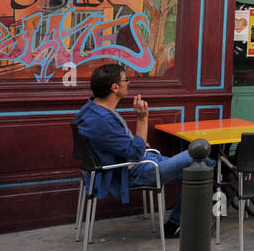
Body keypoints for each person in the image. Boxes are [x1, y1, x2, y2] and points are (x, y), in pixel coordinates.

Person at [74, 63, 211, 238]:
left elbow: (118, 144)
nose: (129, 83)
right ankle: (177, 223)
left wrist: (133, 142)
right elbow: (135, 154)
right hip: (133, 171)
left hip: (137, 162)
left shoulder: (91, 109)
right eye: (126, 79)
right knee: (199, 159)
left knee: (200, 168)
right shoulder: (101, 120)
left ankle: (177, 223)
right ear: (115, 87)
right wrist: (142, 118)